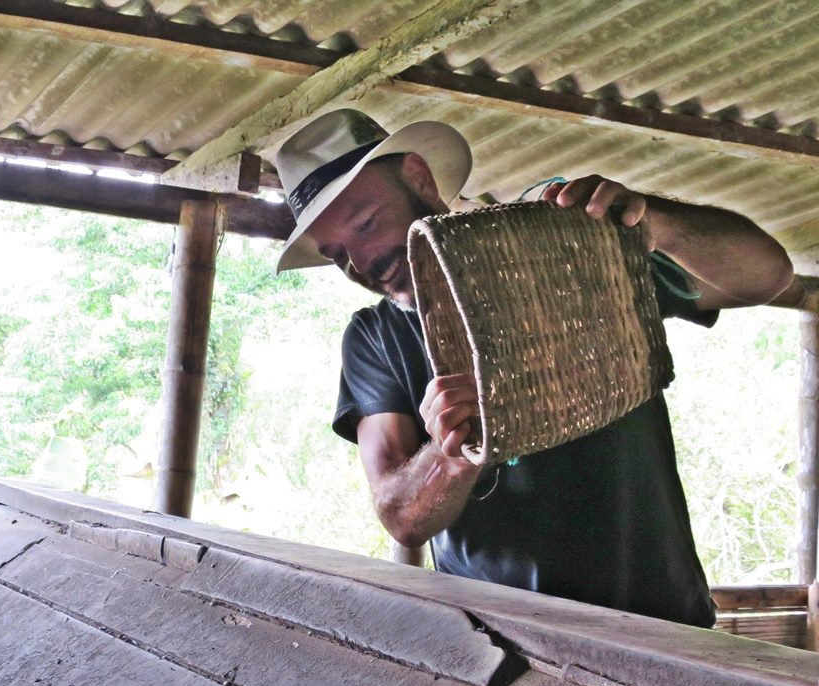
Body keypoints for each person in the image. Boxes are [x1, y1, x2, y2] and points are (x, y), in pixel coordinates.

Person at [273, 108, 793, 627]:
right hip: (498, 646)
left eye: (366, 224)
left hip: (659, 624)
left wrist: (654, 221)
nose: (363, 265)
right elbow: (401, 516)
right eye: (338, 255)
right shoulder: (374, 338)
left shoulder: (574, 256)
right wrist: (453, 453)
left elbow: (766, 276)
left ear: (418, 177)